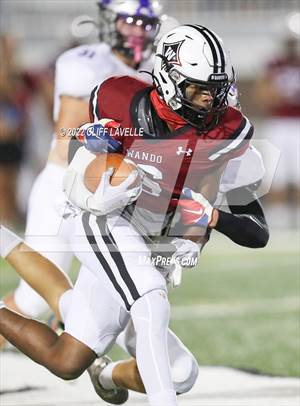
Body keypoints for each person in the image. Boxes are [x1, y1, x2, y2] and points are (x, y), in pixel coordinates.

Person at [0, 24, 255, 406]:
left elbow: (210, 198)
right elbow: (82, 156)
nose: (210, 100)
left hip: (150, 238)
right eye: (198, 88)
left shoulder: (228, 130)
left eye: (216, 88)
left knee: (70, 359)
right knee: (150, 299)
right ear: (169, 79)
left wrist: (195, 232)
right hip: (104, 220)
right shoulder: (119, 97)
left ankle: (105, 373)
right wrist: (101, 158)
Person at [1, 0, 161, 336]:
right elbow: (67, 135)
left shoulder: (157, 67)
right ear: (108, 22)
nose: (138, 32)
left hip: (117, 195)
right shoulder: (84, 62)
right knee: (34, 302)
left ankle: (104, 370)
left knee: (120, 300)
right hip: (67, 187)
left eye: (145, 24)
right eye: (130, 22)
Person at [255, 35, 300, 209]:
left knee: (298, 176)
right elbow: (265, 95)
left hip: (297, 122)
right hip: (278, 122)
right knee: (275, 177)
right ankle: (277, 218)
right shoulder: (274, 64)